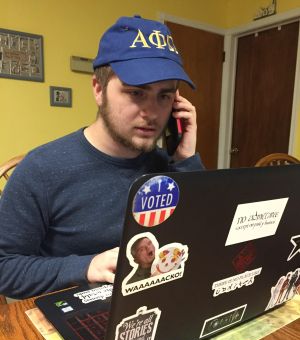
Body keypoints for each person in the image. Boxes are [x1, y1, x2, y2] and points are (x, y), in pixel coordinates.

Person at [0, 15, 204, 299]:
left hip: (154, 303)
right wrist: (87, 267)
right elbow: (5, 268)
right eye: (136, 93)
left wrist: (185, 159)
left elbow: (202, 243)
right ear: (98, 89)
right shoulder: (41, 170)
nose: (152, 112)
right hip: (73, 314)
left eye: (164, 96)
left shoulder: (168, 166)